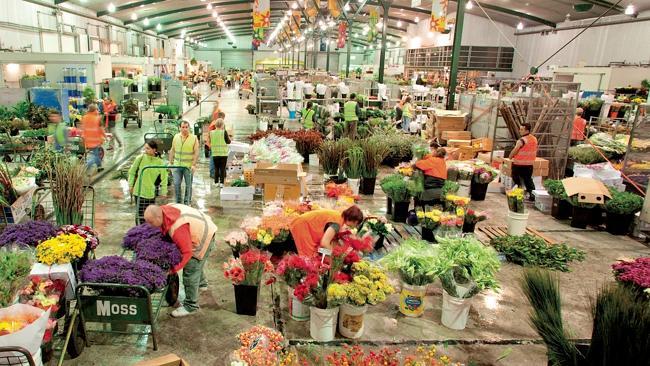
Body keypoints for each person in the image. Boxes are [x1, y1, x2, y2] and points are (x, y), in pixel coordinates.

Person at [144, 204, 217, 318]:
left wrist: (173, 270)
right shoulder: (164, 211)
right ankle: (202, 284)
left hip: (202, 236)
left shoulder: (178, 228)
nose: (149, 225)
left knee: (191, 270)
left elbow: (187, 253)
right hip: (201, 224)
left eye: (151, 222)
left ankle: (191, 306)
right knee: (197, 266)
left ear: (158, 218)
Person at [288, 206, 364, 258]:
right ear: (354, 221)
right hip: (302, 226)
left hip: (304, 224)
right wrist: (335, 254)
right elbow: (324, 243)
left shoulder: (339, 217)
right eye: (356, 224)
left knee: (314, 253)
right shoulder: (337, 224)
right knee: (308, 256)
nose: (355, 226)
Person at [129, 140, 168, 224]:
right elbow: (131, 172)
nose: (145, 150)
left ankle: (148, 232)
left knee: (150, 216)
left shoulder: (160, 162)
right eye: (145, 148)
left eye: (148, 148)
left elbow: (164, 179)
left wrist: (163, 192)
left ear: (154, 150)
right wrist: (131, 185)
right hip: (138, 191)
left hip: (150, 193)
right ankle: (141, 232)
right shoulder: (140, 158)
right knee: (140, 216)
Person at [169, 121, 199, 205]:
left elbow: (196, 152)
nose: (185, 129)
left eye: (186, 127)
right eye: (183, 127)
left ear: (189, 128)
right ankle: (178, 202)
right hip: (177, 165)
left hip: (188, 167)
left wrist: (193, 165)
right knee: (176, 184)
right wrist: (170, 162)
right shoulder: (176, 137)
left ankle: (187, 202)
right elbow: (172, 150)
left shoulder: (194, 138)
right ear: (179, 128)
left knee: (188, 185)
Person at [508, 123, 538, 200]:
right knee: (528, 180)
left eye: (522, 129)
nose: (519, 131)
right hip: (529, 164)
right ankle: (533, 195)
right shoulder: (534, 139)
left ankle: (517, 194)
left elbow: (515, 150)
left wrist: (510, 156)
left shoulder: (522, 140)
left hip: (519, 164)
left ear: (527, 130)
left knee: (516, 179)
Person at [80, 104, 105, 172]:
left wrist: (82, 137)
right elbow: (101, 129)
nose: (98, 110)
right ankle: (88, 165)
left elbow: (83, 128)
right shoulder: (98, 118)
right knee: (95, 155)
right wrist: (105, 136)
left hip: (87, 140)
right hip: (95, 140)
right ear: (95, 110)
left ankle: (99, 166)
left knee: (96, 153)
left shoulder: (84, 117)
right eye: (97, 109)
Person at [208, 119, 231, 187]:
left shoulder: (211, 132)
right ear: (222, 125)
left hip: (215, 154)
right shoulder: (224, 132)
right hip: (223, 154)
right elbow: (228, 142)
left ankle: (215, 182)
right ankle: (221, 183)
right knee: (222, 168)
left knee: (216, 168)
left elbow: (210, 141)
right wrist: (229, 138)